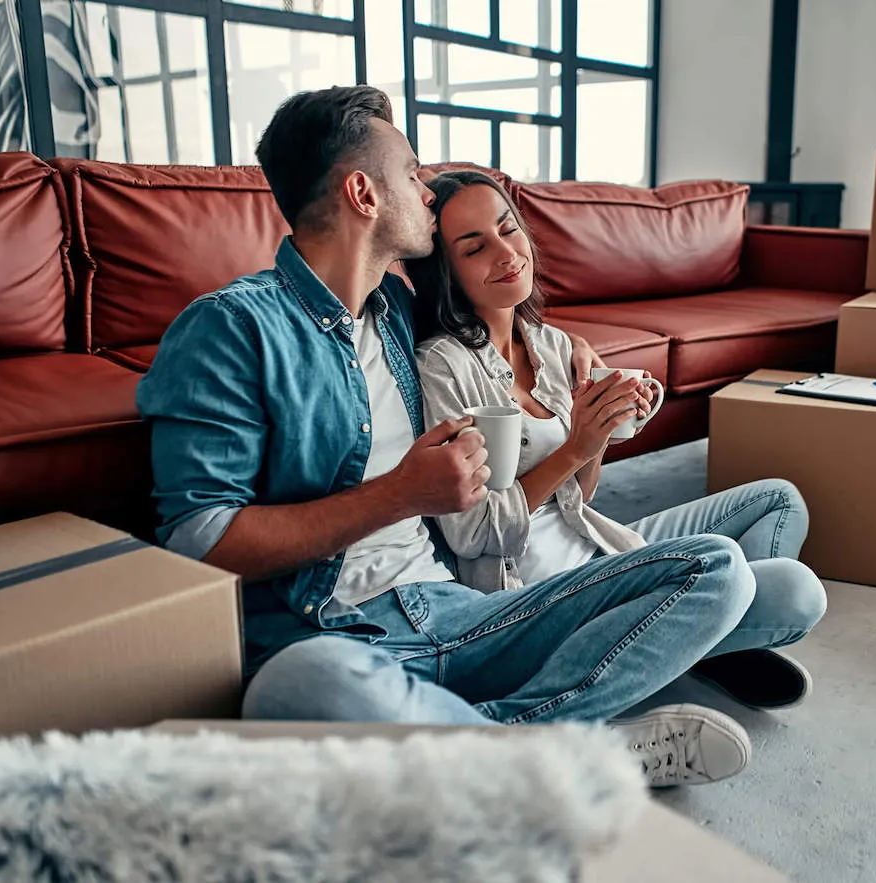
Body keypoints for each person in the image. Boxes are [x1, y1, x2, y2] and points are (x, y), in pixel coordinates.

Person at [135, 85, 766, 787]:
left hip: (468, 612)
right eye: (411, 174)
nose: (427, 193)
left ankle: (495, 745)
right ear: (363, 194)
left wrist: (573, 352)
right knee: (298, 686)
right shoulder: (231, 328)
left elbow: (500, 324)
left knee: (715, 568)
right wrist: (398, 495)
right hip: (340, 634)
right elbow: (197, 541)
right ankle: (561, 749)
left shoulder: (399, 311)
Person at [407, 170, 827, 710]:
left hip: (594, 540)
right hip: (537, 585)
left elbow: (580, 496)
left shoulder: (552, 345)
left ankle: (693, 639)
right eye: (474, 247)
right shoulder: (443, 366)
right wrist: (575, 447)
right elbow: (472, 535)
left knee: (778, 499)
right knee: (794, 591)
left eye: (508, 229)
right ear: (446, 272)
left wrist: (601, 430)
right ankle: (690, 634)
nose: (506, 253)